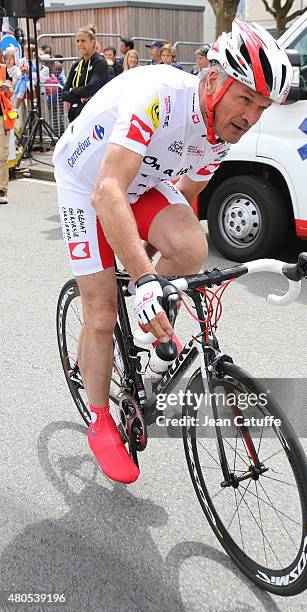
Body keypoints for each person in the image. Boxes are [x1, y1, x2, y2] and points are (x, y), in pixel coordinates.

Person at [52, 19, 292, 484]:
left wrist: (147, 256)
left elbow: (186, 194)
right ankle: (101, 421)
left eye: (261, 107)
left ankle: (140, 343)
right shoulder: (161, 98)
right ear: (215, 79)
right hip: (88, 183)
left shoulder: (220, 135)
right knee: (101, 311)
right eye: (245, 99)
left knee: (191, 247)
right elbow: (107, 191)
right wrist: (143, 279)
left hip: (142, 184)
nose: (250, 117)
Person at [62, 25, 108, 122]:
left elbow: (91, 89)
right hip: (74, 114)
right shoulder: (76, 65)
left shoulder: (100, 62)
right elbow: (64, 94)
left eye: (83, 41)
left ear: (92, 42)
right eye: (78, 41)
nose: (80, 44)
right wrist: (80, 99)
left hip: (92, 115)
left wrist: (72, 90)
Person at [0, 57, 16, 204]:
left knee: (1, 156)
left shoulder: (4, 69)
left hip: (1, 119)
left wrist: (7, 89)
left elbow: (11, 92)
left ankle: (2, 190)